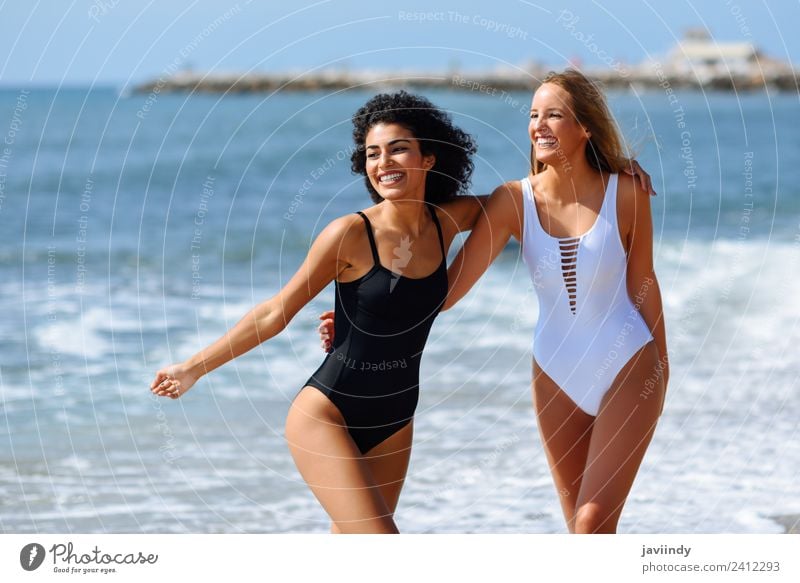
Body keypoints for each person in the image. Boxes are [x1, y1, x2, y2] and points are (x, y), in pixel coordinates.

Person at [319, 70, 666, 534]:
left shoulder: (626, 193)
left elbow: (644, 281)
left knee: (592, 524)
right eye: (533, 115)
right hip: (554, 371)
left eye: (554, 115)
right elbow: (444, 290)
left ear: (585, 127)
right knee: (579, 531)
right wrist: (358, 320)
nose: (538, 125)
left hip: (629, 361)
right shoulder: (512, 201)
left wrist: (660, 367)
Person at [150, 91, 485, 533]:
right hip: (328, 413)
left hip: (396, 419)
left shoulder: (447, 222)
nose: (383, 162)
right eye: (372, 153)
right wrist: (193, 367)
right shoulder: (350, 233)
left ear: (428, 158)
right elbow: (275, 312)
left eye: (398, 148)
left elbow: (519, 203)